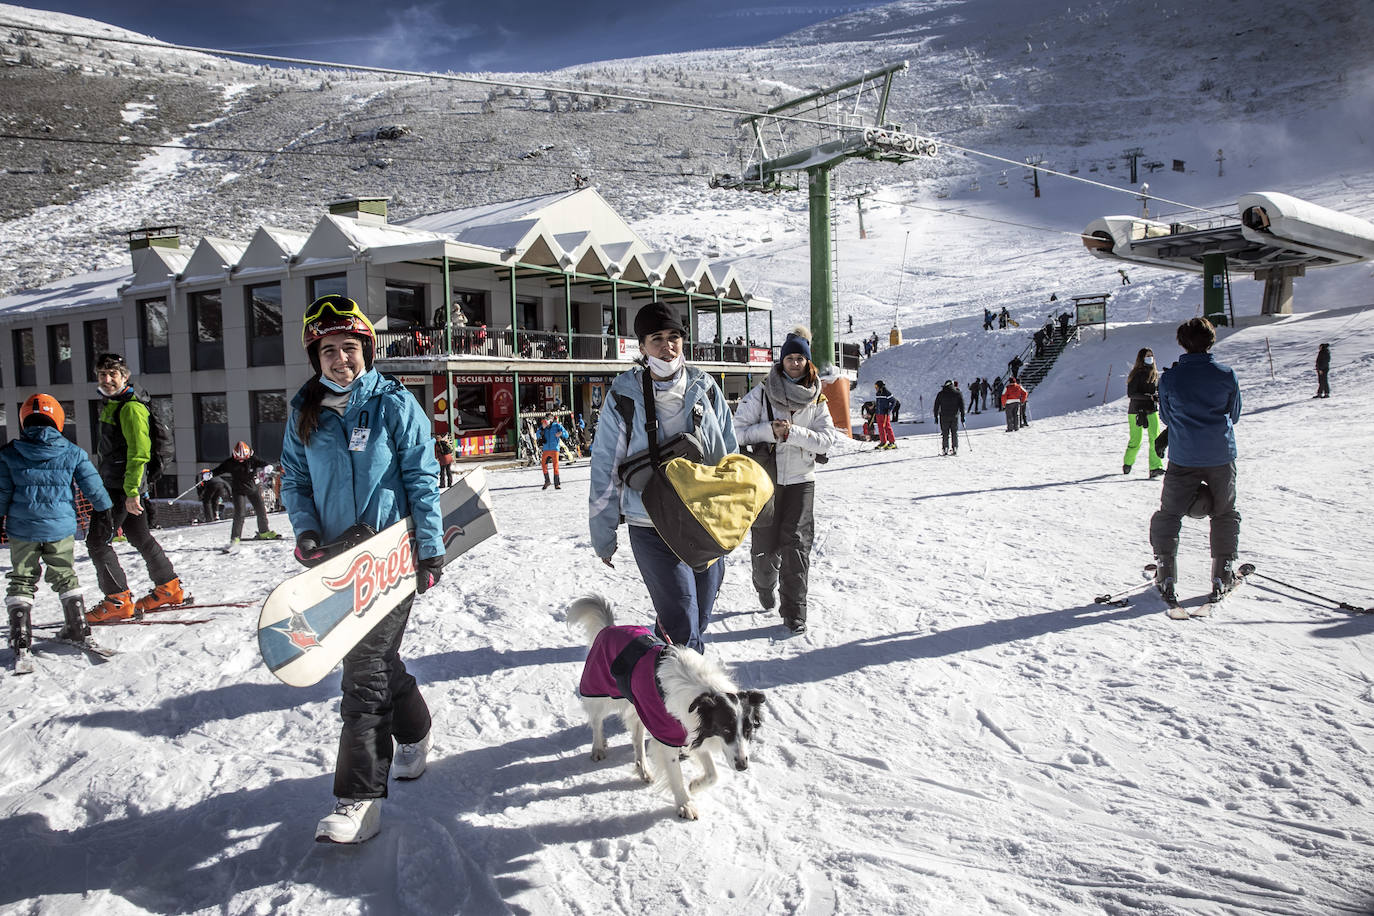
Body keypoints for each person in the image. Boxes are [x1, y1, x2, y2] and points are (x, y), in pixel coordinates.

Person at [280, 295, 444, 845]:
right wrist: (306, 530)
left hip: (390, 556)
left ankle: (359, 797)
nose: (340, 359)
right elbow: (295, 481)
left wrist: (430, 546)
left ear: (366, 350)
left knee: (364, 673)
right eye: (329, 350)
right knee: (377, 662)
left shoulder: (394, 403)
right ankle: (417, 730)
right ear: (316, 356)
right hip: (336, 564)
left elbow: (422, 477)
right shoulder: (304, 411)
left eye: (350, 348)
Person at [588, 302, 737, 652]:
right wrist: (603, 533)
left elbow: (731, 456)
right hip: (648, 521)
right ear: (641, 347)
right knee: (685, 627)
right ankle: (690, 700)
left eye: (674, 337)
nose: (667, 346)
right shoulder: (623, 395)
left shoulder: (706, 388)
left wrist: (736, 511)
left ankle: (666, 641)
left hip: (703, 520)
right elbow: (605, 465)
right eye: (657, 339)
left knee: (699, 611)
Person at [735, 327, 845, 634]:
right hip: (766, 481)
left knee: (796, 546)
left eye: (800, 358)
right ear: (780, 361)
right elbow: (737, 431)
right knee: (765, 547)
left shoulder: (817, 399)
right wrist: (769, 430)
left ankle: (795, 612)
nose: (794, 363)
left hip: (801, 481)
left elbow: (826, 440)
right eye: (789, 358)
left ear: (807, 362)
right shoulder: (762, 392)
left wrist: (793, 433)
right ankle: (764, 585)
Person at [1, 395, 113, 654]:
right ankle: (78, 627)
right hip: (60, 528)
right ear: (58, 420)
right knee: (64, 573)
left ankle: (20, 635)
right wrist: (104, 509)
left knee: (22, 577)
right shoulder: (72, 451)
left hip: (22, 528)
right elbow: (93, 485)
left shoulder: (9, 453)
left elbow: (2, 491)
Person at [84, 353, 185, 622]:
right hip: (122, 484)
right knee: (139, 536)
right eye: (102, 375)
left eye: (112, 374)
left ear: (125, 376)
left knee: (96, 541)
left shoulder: (130, 407)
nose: (106, 380)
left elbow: (139, 453)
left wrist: (132, 493)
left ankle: (117, 600)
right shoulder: (116, 403)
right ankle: (168, 588)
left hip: (120, 488)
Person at [1149, 318, 1242, 604]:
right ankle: (1223, 573)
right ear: (1211, 341)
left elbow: (1165, 416)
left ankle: (1166, 573)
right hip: (1220, 453)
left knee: (1170, 513)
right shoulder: (1226, 375)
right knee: (1224, 512)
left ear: (1182, 343)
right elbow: (1234, 414)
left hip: (1184, 454)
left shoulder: (1170, 378)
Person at [211, 441, 279, 553]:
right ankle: (235, 538)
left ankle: (264, 531)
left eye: (243, 458)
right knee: (240, 514)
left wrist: (268, 466)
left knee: (261, 509)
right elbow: (219, 470)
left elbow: (263, 463)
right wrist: (210, 474)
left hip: (253, 488)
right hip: (238, 491)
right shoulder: (230, 463)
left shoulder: (252, 460)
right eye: (239, 458)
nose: (241, 460)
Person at [1122, 348, 1164, 478]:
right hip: (1136, 410)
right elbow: (1131, 394)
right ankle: (1128, 463)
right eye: (1147, 356)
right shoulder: (1136, 374)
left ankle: (1155, 467)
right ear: (1141, 358)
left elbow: (1157, 390)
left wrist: (1158, 396)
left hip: (1152, 410)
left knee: (1155, 438)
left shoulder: (1155, 374)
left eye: (1151, 356)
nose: (1150, 358)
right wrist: (1149, 397)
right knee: (1136, 440)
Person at [537, 411, 571, 490]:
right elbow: (537, 435)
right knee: (543, 465)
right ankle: (547, 481)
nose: (547, 420)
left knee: (555, 466)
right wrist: (542, 429)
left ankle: (557, 484)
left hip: (555, 448)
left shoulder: (557, 426)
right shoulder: (543, 426)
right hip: (546, 449)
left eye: (549, 418)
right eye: (546, 418)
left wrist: (561, 433)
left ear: (552, 419)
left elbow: (567, 434)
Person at [933, 380, 966, 456]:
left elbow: (936, 406)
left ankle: (945, 449)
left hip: (944, 417)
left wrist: (935, 416)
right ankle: (954, 448)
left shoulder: (941, 394)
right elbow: (962, 406)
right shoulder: (957, 393)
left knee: (945, 433)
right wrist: (962, 417)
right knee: (954, 432)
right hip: (954, 416)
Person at [873, 381, 897, 450]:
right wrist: (876, 408)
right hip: (878, 413)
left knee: (887, 427)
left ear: (880, 386)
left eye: (876, 387)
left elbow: (894, 401)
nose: (875, 388)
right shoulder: (877, 393)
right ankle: (883, 442)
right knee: (880, 428)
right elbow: (878, 402)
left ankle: (892, 442)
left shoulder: (887, 393)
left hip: (885, 414)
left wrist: (889, 410)